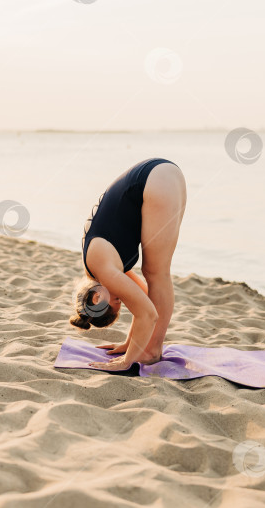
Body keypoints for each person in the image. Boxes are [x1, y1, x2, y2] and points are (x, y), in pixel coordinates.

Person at [70, 157, 186, 371]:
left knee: (157, 273)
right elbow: (145, 298)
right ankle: (150, 349)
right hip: (161, 175)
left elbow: (148, 313)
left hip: (155, 182)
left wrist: (127, 361)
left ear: (97, 297)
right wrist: (130, 343)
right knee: (155, 275)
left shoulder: (102, 267)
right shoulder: (99, 266)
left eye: (116, 300)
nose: (121, 298)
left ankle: (151, 351)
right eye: (121, 302)